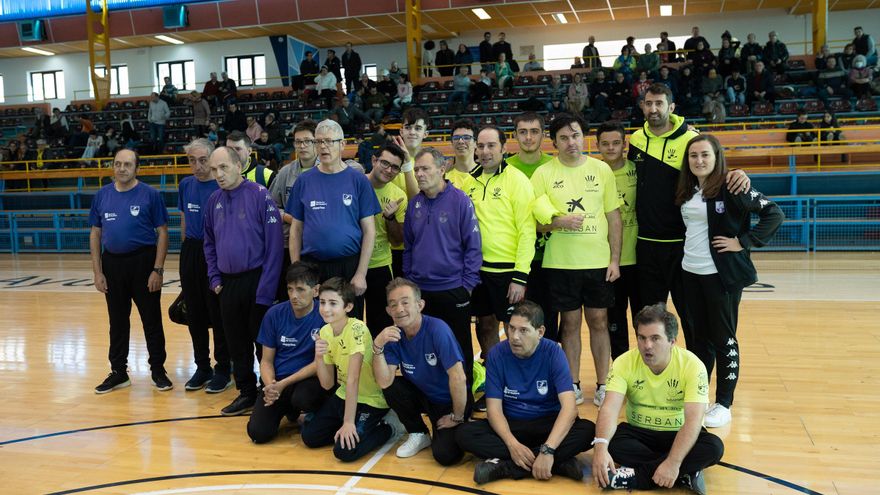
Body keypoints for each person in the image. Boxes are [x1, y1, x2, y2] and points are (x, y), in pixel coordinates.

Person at [628, 84, 749, 353]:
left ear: (671, 107)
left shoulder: (689, 139)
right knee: (648, 319)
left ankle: (696, 376)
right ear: (642, 107)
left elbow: (713, 161)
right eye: (648, 103)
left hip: (682, 247)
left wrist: (738, 172)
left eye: (659, 103)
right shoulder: (635, 140)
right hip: (646, 246)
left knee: (692, 318)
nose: (653, 109)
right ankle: (653, 374)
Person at [675, 134, 783, 429]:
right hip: (690, 273)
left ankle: (724, 403)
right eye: (693, 155)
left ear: (716, 157)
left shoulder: (732, 186)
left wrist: (744, 241)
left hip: (720, 277)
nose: (699, 160)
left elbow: (774, 213)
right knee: (698, 340)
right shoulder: (687, 188)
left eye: (705, 155)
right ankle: (698, 396)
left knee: (723, 340)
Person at [530, 113, 622, 407]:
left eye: (576, 135)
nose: (571, 142)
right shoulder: (543, 174)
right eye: (564, 137)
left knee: (599, 320)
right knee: (569, 324)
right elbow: (534, 223)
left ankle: (604, 384)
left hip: (597, 262)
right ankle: (572, 384)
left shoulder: (602, 170)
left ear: (584, 137)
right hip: (560, 264)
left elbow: (614, 216)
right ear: (554, 142)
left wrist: (615, 260)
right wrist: (559, 223)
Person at [456, 301, 595, 484]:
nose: (514, 337)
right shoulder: (497, 354)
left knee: (587, 430)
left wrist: (548, 449)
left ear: (540, 332)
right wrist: (512, 445)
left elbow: (569, 410)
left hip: (547, 423)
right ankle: (559, 463)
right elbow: (494, 410)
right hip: (513, 425)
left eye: (523, 330)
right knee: (464, 434)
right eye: (511, 328)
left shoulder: (554, 352)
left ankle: (505, 467)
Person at [592, 304, 724, 493]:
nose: (647, 346)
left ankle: (639, 477)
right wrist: (601, 447)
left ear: (672, 341)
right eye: (642, 338)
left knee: (713, 447)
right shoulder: (623, 362)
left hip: (678, 432)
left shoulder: (693, 365)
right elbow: (609, 409)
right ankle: (686, 472)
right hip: (640, 433)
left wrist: (673, 462)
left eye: (655, 338)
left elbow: (694, 420)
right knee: (610, 441)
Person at [203, 146, 283, 416]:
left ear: (240, 165)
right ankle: (246, 393)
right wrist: (215, 278)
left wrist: (266, 290)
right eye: (214, 169)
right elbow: (209, 244)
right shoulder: (213, 200)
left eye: (223, 167)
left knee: (263, 345)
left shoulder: (261, 196)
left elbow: (274, 249)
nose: (218, 174)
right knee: (236, 344)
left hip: (258, 282)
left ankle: (267, 391)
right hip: (227, 284)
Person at [404, 147, 482, 409]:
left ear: (442, 168)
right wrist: (410, 283)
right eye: (416, 170)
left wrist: (467, 286)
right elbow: (409, 246)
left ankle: (465, 404)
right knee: (427, 350)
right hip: (421, 292)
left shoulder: (460, 201)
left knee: (460, 349)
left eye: (425, 169)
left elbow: (473, 246)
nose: (420, 174)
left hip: (453, 290)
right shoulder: (414, 203)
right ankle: (434, 402)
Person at [89, 149, 171, 393]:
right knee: (117, 321)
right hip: (112, 264)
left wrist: (157, 269)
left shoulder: (150, 195)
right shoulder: (102, 196)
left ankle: (158, 369)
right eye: (117, 164)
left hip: (143, 263)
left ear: (137, 168)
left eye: (127, 164)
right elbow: (95, 233)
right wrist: (97, 271)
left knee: (151, 320)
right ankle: (118, 372)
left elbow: (163, 232)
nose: (121, 168)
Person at [300, 277, 401, 462]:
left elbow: (353, 379)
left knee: (344, 452)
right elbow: (327, 383)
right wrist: (319, 357)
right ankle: (349, 423)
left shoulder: (357, 329)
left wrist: (348, 423)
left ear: (347, 307)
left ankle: (390, 427)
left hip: (370, 400)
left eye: (332, 303)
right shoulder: (325, 332)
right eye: (322, 302)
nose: (325, 308)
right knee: (310, 438)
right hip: (344, 394)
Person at [287, 120, 380, 318]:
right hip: (313, 267)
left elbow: (370, 231)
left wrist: (361, 273)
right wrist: (297, 270)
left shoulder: (358, 181)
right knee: (315, 327)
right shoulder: (304, 181)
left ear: (342, 144)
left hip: (348, 266)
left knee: (348, 327)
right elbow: (296, 230)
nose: (323, 147)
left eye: (329, 141)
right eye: (318, 142)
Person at [372, 277, 468, 463]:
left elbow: (458, 377)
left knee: (446, 455)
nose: (399, 309)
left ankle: (459, 422)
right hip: (423, 396)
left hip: (447, 400)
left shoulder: (437, 330)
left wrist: (457, 417)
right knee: (393, 386)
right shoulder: (392, 335)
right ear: (388, 310)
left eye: (405, 302)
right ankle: (418, 432)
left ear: (420, 305)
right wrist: (378, 346)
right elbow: (384, 381)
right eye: (393, 305)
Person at [465, 125, 536, 356]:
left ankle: (517, 381)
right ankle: (495, 374)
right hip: (477, 271)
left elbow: (527, 230)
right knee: (485, 326)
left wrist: (520, 276)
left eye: (491, 145)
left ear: (504, 148)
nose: (485, 151)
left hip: (508, 272)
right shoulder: (469, 182)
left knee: (514, 329)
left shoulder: (517, 180)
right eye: (481, 146)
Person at [246, 261, 330, 443]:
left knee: (303, 398)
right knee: (258, 433)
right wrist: (270, 386)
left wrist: (283, 384)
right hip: (279, 381)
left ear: (316, 291)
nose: (294, 295)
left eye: (300, 289)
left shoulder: (325, 317)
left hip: (307, 381)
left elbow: (319, 364)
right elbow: (266, 360)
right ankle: (290, 411)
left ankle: (309, 411)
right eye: (290, 289)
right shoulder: (274, 314)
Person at [177, 138, 232, 393]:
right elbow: (184, 221)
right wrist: (186, 254)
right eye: (192, 160)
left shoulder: (221, 187)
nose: (198, 166)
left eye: (202, 160)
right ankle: (202, 367)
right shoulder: (186, 185)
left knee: (218, 314)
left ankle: (223, 368)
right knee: (194, 313)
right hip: (191, 251)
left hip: (217, 252)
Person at [505, 113, 558, 344]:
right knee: (516, 324)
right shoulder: (504, 168)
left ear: (543, 134)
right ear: (515, 135)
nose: (528, 137)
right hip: (516, 260)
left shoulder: (554, 166)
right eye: (523, 132)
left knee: (548, 323)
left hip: (551, 258)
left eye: (534, 131)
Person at [596, 122, 640, 360]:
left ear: (624, 144)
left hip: (638, 259)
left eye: (616, 143)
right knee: (614, 320)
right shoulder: (593, 173)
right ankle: (621, 369)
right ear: (598, 146)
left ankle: (648, 370)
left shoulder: (638, 170)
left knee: (643, 319)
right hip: (607, 262)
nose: (611, 148)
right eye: (605, 143)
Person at [269, 120, 317, 299]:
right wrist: (290, 218)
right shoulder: (285, 173)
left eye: (307, 141)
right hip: (289, 245)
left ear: (317, 142)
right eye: (298, 142)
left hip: (316, 245)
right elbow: (272, 207)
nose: (302, 146)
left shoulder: (328, 171)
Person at [364, 144, 408, 333]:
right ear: (374, 161)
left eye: (395, 167)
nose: (389, 170)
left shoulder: (398, 196)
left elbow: (397, 241)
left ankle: (381, 362)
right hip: (351, 263)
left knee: (380, 324)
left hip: (380, 265)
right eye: (385, 163)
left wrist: (390, 217)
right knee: (349, 320)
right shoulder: (355, 184)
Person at [444, 119, 479, 190]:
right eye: (456, 138)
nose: (461, 141)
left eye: (466, 137)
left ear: (476, 143)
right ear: (452, 143)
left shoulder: (487, 174)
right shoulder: (443, 177)